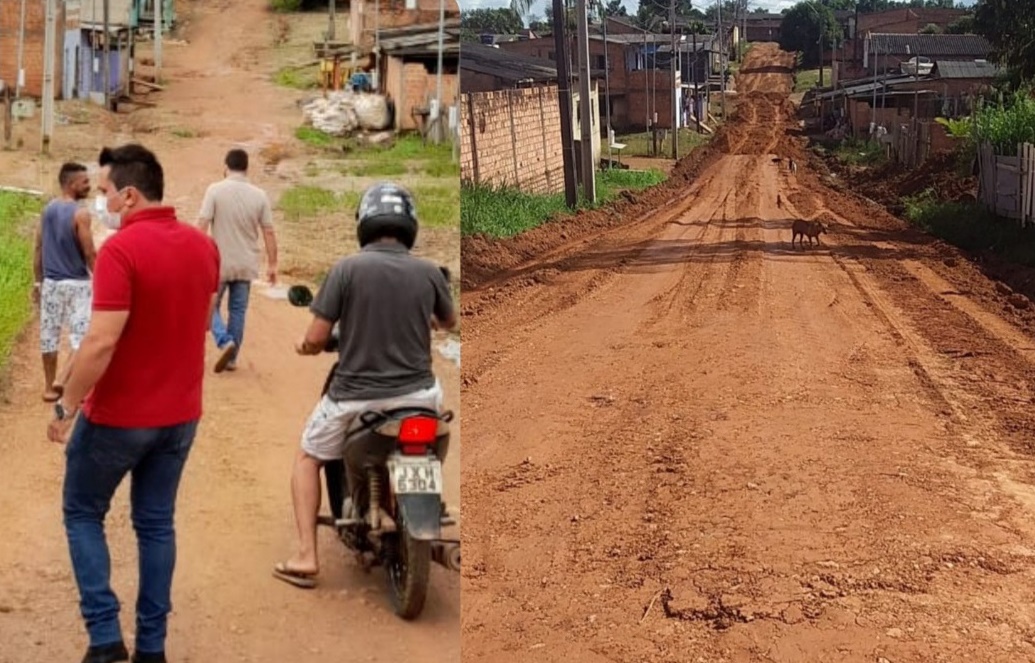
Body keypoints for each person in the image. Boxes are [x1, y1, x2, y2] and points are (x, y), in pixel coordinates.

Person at [46, 144, 220, 663]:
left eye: (103, 193)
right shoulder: (202, 247)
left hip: (119, 417)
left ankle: (103, 639)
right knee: (156, 524)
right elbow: (200, 317)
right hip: (180, 418)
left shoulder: (122, 251)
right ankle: (152, 647)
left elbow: (100, 342)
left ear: (129, 194)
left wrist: (66, 406)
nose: (100, 203)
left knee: (82, 512)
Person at [273, 182, 456, 589]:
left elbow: (318, 336)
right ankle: (424, 504)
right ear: (410, 224)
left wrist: (305, 346)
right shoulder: (428, 272)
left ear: (365, 223)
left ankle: (306, 555)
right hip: (420, 397)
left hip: (355, 400)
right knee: (431, 422)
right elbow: (449, 324)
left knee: (307, 457)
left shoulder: (346, 269)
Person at [196, 148, 278, 373]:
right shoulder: (259, 195)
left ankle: (223, 340)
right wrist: (272, 264)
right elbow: (268, 232)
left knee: (207, 304)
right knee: (238, 310)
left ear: (226, 166)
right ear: (246, 167)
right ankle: (232, 359)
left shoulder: (215, 190)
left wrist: (195, 256)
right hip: (246, 263)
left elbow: (203, 225)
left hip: (218, 263)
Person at [32, 162, 96, 402]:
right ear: (71, 185)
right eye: (85, 182)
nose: (88, 186)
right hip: (77, 284)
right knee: (83, 336)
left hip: (51, 284)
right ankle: (67, 381)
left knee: (49, 335)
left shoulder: (47, 210)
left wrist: (37, 282)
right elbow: (89, 252)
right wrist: (101, 278)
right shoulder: (81, 214)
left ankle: (49, 387)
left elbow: (38, 247)